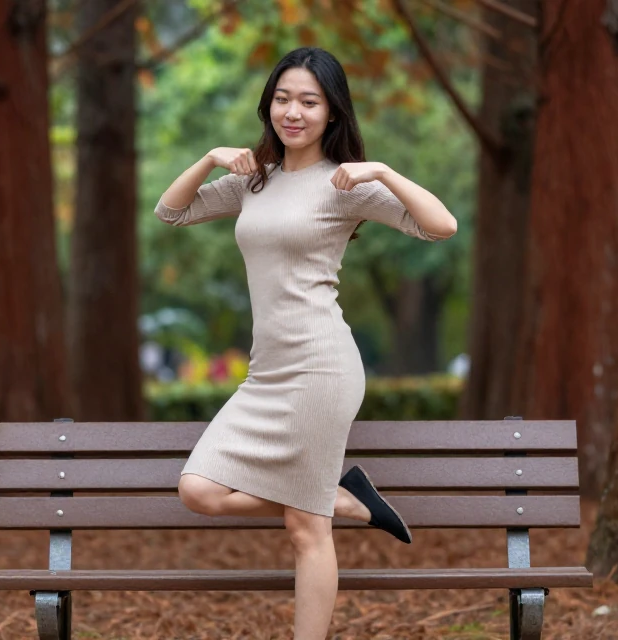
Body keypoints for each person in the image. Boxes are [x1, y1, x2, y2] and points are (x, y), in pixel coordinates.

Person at [154, 46, 457, 639]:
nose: (293, 112)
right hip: (266, 374)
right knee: (198, 490)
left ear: (333, 113)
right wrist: (209, 158)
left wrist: (384, 173)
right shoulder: (253, 183)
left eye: (309, 102)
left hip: (322, 367)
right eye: (283, 99)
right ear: (268, 106)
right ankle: (347, 501)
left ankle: (326, 526)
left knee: (304, 527)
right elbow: (171, 212)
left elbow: (439, 225)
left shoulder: (345, 186)